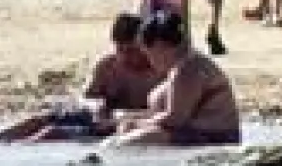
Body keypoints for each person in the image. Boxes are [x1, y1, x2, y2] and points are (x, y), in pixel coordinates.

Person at [0, 13, 163, 143]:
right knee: (39, 120)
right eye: (120, 50)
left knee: (52, 133)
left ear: (144, 46)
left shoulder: (159, 70)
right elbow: (85, 97)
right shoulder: (107, 66)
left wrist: (124, 117)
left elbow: (166, 112)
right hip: (98, 117)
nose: (125, 57)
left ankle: (23, 149)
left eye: (131, 51)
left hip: (123, 124)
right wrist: (97, 106)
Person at [102, 12, 242, 148]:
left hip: (215, 137)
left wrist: (138, 124)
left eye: (148, 53)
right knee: (126, 131)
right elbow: (166, 112)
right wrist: (128, 118)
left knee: (132, 141)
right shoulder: (182, 65)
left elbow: (175, 119)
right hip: (194, 132)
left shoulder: (188, 69)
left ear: (160, 46)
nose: (150, 61)